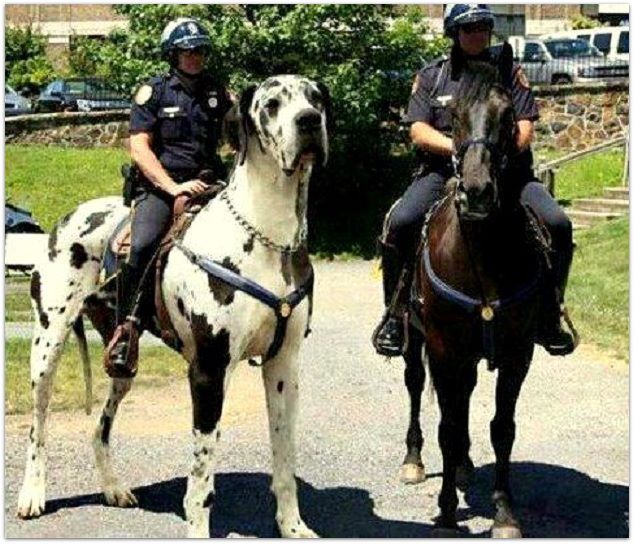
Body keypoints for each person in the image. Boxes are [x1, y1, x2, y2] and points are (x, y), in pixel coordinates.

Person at [372, 4, 577, 358]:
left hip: (506, 171)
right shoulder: (433, 75)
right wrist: (463, 150)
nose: (477, 34)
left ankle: (549, 315)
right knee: (401, 222)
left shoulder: (510, 72)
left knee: (558, 224)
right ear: (454, 33)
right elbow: (419, 131)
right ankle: (396, 313)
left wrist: (491, 154)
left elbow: (526, 127)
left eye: (483, 26)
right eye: (468, 29)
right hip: (442, 171)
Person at [105, 17, 233, 378]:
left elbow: (240, 131)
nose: (195, 56)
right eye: (187, 50)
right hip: (161, 189)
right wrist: (173, 187)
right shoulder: (153, 92)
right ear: (172, 55)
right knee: (143, 245)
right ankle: (125, 330)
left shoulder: (217, 92)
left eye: (200, 50)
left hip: (209, 185)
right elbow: (139, 148)